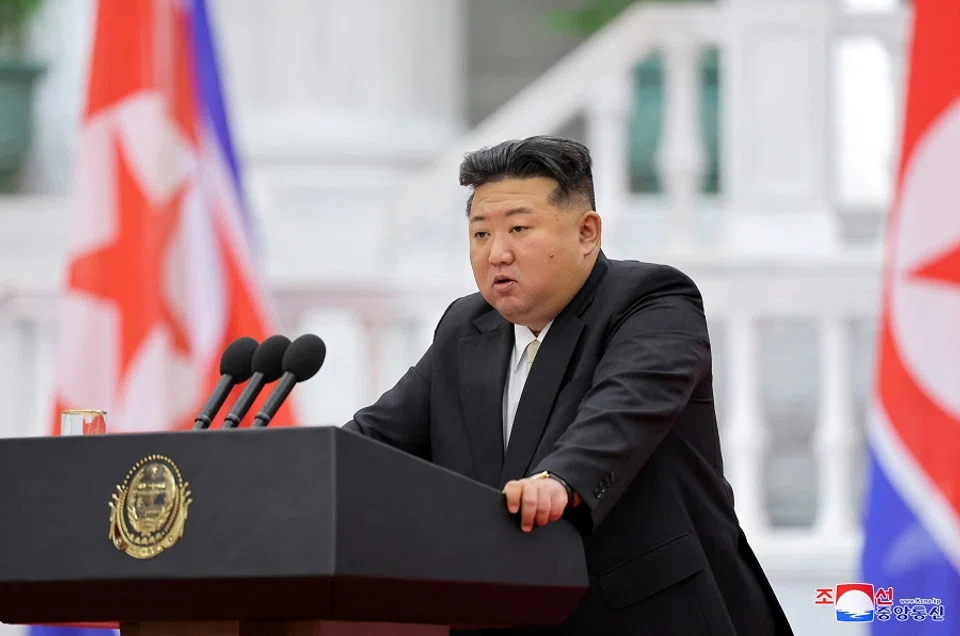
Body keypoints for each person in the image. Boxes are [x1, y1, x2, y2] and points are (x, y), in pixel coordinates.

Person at [343, 135, 793, 635]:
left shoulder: (651, 300)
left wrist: (561, 480)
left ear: (586, 232)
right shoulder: (465, 328)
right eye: (480, 235)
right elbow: (374, 438)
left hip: (648, 617)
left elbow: (624, 410)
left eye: (518, 228)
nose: (497, 254)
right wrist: (286, 469)